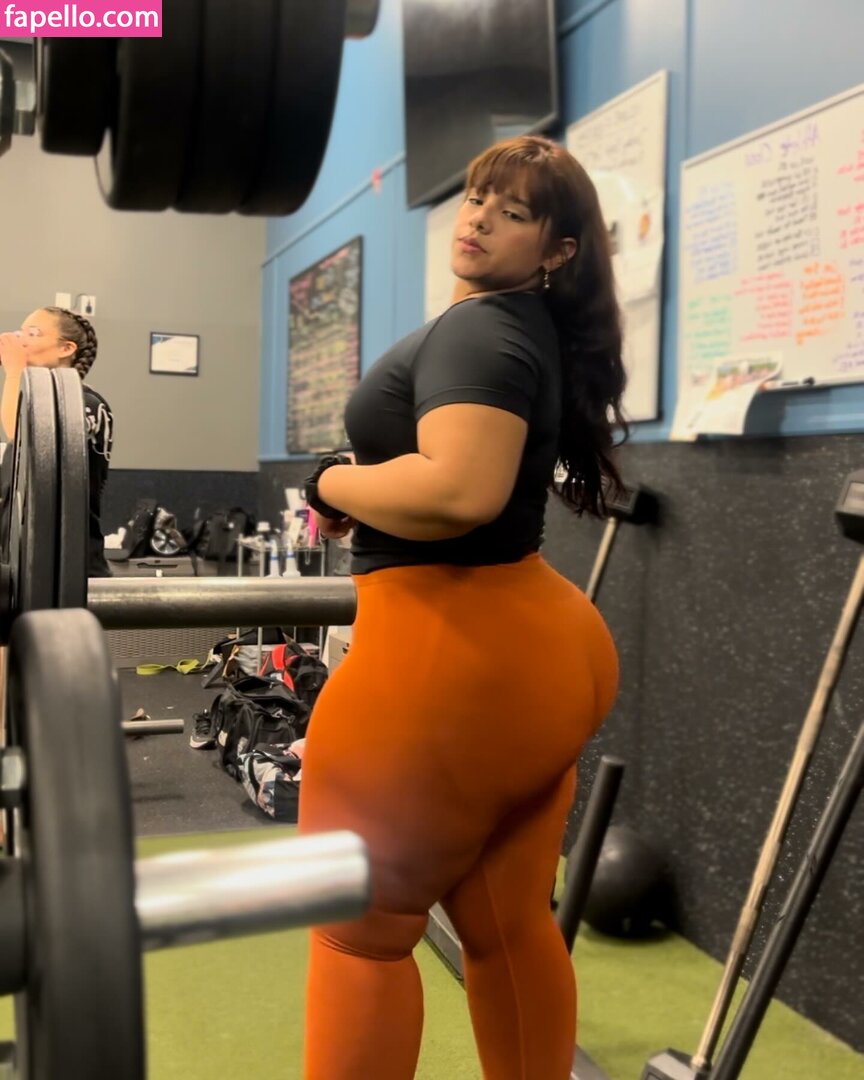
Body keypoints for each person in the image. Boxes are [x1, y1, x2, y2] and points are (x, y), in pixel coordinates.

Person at [299, 135, 627, 1080]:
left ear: (557, 249)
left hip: (450, 660)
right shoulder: (519, 328)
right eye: (478, 198)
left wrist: (330, 482)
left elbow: (458, 492)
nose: (478, 217)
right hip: (538, 653)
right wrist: (366, 488)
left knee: (357, 931)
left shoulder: (482, 329)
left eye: (513, 211)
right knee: (507, 922)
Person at [0, 307, 114, 577]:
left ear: (66, 348)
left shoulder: (86, 404)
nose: (21, 340)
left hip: (64, 567)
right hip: (22, 561)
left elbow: (19, 434)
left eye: (33, 333)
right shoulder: (34, 404)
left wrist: (14, 372)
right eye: (21, 332)